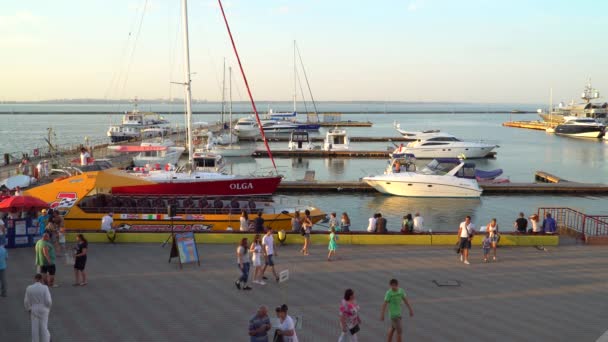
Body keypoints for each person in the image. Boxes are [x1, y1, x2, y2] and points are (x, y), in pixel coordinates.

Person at [24, 273, 52, 342]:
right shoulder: (45, 288)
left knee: (34, 327)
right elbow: (48, 301)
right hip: (43, 309)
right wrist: (48, 307)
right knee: (44, 327)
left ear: (35, 279)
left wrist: (28, 309)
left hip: (34, 309)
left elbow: (26, 301)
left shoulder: (29, 288)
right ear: (41, 279)